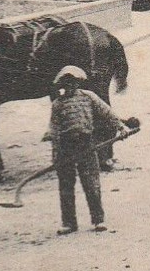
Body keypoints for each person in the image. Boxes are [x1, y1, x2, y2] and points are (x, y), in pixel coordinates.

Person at [45, 65, 137, 235]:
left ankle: (98, 219)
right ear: (62, 85)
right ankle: (69, 223)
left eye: (73, 82)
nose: (70, 86)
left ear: (78, 83)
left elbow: (107, 113)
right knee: (66, 186)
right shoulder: (57, 104)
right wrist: (55, 152)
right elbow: (54, 128)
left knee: (91, 184)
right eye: (66, 83)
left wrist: (121, 127)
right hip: (65, 147)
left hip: (86, 144)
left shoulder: (89, 97)